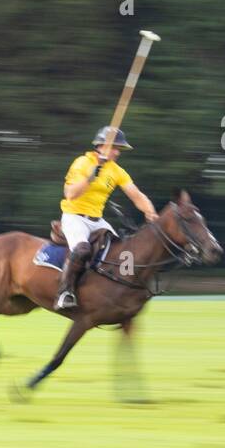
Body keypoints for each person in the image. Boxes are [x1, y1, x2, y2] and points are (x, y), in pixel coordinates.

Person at [54, 126, 159, 310]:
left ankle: (116, 291)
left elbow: (136, 195)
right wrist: (90, 177)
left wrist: (150, 213)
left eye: (119, 148)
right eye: (115, 147)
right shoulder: (82, 163)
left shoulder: (116, 170)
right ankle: (65, 292)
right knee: (82, 249)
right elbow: (70, 194)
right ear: (102, 146)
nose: (118, 152)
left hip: (97, 220)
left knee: (121, 251)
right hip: (75, 217)